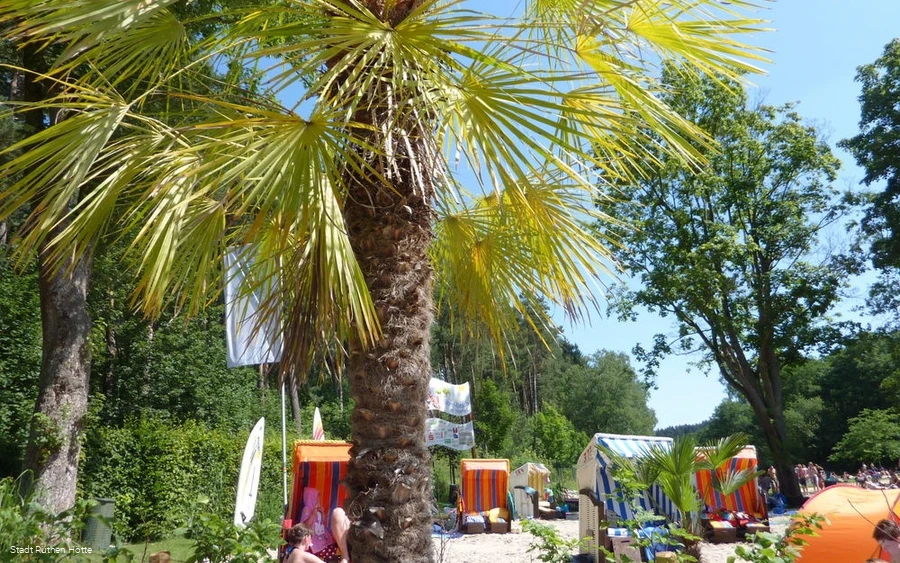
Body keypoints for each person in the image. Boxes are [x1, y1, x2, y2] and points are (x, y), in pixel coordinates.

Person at [298, 487, 351, 563]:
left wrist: (322, 514)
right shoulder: (307, 509)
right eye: (316, 500)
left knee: (332, 543)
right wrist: (313, 514)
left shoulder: (317, 511)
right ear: (311, 500)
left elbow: (321, 523)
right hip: (314, 540)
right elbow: (306, 525)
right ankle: (333, 556)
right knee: (327, 549)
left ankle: (338, 553)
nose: (318, 502)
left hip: (321, 536)